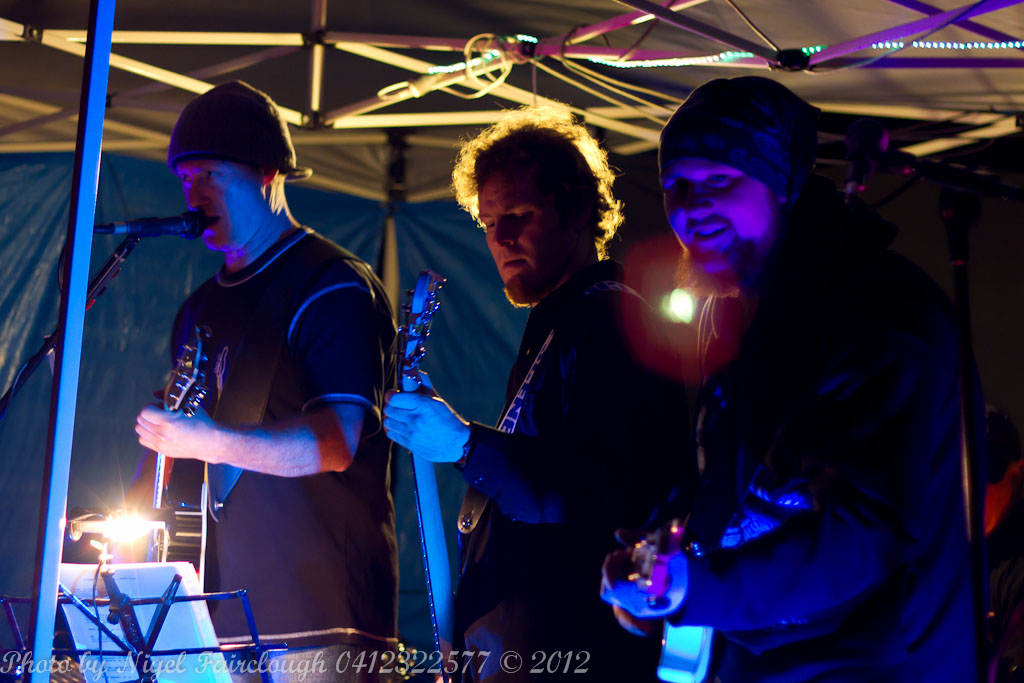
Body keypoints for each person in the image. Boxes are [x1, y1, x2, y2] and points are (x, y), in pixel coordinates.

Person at [601, 76, 978, 682]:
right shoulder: (738, 306)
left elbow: (867, 532)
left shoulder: (878, 313)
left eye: (719, 180)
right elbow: (732, 479)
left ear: (781, 184)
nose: (692, 208)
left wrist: (698, 589)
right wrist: (665, 549)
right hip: (760, 658)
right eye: (676, 187)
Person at [383, 107, 695, 680]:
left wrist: (464, 445)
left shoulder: (610, 318)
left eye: (519, 216)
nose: (500, 238)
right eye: (488, 222)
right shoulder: (563, 321)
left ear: (577, 213)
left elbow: (596, 490)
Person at [129, 81, 398, 681]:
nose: (194, 194)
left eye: (211, 175)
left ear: (268, 174)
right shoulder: (199, 307)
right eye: (185, 179)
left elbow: (335, 443)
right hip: (219, 617)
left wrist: (207, 440)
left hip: (322, 620)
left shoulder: (331, 285)